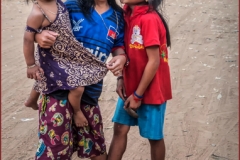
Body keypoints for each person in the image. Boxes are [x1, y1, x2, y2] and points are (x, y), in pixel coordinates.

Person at [34, 0, 127, 159]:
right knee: (54, 151)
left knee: (97, 149)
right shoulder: (70, 6)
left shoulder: (118, 16)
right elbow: (38, 26)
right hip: (59, 92)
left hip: (90, 93)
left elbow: (118, 45)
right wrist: (38, 35)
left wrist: (122, 57)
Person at [24, 0, 108, 128]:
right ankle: (77, 111)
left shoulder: (59, 3)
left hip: (64, 53)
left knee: (44, 76)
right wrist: (31, 65)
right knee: (78, 87)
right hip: (51, 56)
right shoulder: (37, 13)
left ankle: (31, 100)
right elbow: (28, 38)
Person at [108, 0, 172, 159]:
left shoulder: (149, 19)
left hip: (151, 90)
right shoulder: (125, 15)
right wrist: (121, 78)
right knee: (120, 130)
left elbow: (154, 61)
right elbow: (122, 51)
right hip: (130, 86)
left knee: (154, 137)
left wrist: (138, 95)